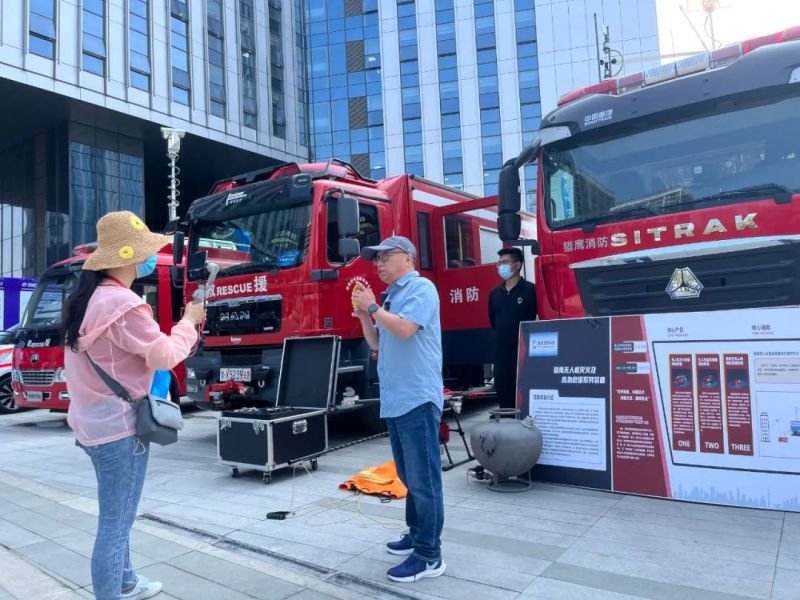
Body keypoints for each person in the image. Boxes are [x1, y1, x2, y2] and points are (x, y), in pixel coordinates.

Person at [61, 211, 206, 600]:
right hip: (120, 430)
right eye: (144, 251)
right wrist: (189, 321)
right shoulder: (124, 305)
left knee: (116, 515)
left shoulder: (87, 300)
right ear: (126, 257)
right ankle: (111, 591)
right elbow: (164, 355)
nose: (148, 257)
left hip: (92, 426)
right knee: (116, 522)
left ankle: (126, 582)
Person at [353, 236, 446, 583]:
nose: (378, 264)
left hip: (417, 398)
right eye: (375, 259)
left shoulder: (422, 288)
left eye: (384, 257)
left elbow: (406, 329)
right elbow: (378, 342)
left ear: (407, 257)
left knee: (424, 482)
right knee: (408, 478)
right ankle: (416, 534)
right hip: (396, 399)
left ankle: (429, 555)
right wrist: (365, 314)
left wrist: (374, 307)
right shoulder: (392, 296)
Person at [488, 247, 537, 412]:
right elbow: (494, 322)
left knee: (525, 399)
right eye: (499, 263)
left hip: (524, 355)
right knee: (505, 401)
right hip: (501, 357)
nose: (501, 266)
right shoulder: (495, 294)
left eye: (505, 262)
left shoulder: (531, 290)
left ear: (517, 265)